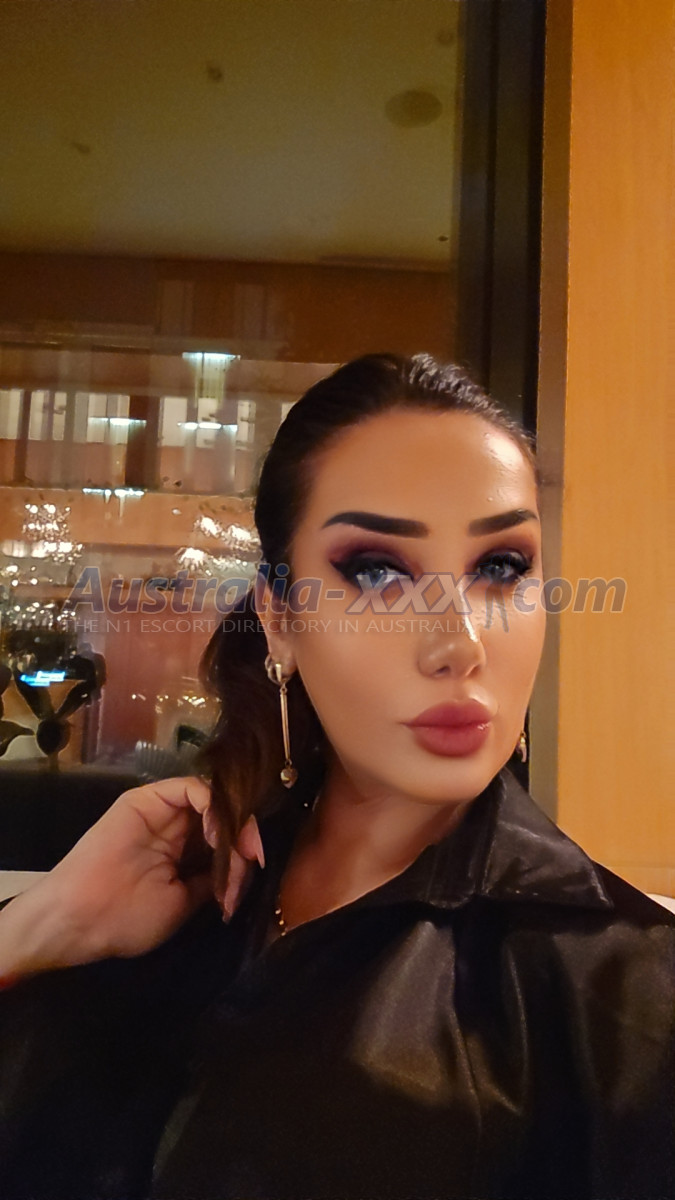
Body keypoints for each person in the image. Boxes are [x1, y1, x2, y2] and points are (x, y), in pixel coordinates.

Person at [0, 353, 672, 1200]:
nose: (459, 643)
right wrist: (39, 929)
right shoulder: (172, 891)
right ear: (279, 619)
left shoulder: (622, 988)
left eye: (501, 566)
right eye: (379, 572)